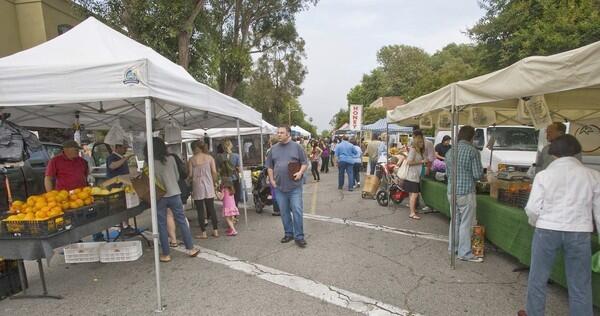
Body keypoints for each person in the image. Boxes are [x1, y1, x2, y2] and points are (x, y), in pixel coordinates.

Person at [522, 135, 600, 316]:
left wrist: (537, 223)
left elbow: (532, 208)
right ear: (577, 152)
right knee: (580, 283)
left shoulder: (544, 175)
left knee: (538, 279)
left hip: (547, 229)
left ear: (554, 153)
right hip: (580, 231)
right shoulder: (593, 176)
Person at [144, 137, 199, 262]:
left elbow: (147, 180)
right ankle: (190, 249)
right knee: (181, 220)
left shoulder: (149, 163)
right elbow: (177, 176)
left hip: (159, 197)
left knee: (161, 225)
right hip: (174, 193)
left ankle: (166, 254)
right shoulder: (171, 159)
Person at [445, 126, 484, 263]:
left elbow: (448, 174)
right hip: (466, 191)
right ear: (472, 137)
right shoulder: (473, 151)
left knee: (454, 221)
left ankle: (453, 248)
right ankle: (465, 252)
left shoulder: (450, 151)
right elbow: (478, 174)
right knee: (466, 223)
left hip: (451, 191)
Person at [266, 126, 308, 248]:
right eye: (278, 133)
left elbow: (305, 163)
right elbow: (269, 166)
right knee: (284, 212)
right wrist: (272, 180)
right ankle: (288, 233)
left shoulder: (297, 147)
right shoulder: (273, 149)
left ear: (288, 134)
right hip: (279, 187)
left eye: (281, 132)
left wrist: (300, 172)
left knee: (297, 211)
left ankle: (299, 237)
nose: (279, 135)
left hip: (294, 187)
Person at [188, 140, 219, 239]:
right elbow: (214, 172)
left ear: (195, 148)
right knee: (211, 208)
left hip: (197, 185)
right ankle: (216, 231)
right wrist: (214, 183)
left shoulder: (192, 160)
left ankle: (204, 233)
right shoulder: (210, 158)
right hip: (209, 185)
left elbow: (190, 175)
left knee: (200, 210)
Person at [405, 134, 426, 220]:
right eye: (420, 142)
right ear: (417, 143)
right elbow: (409, 162)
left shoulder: (418, 151)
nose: (422, 143)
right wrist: (422, 161)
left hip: (415, 175)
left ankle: (412, 210)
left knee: (412, 194)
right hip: (412, 175)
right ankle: (412, 213)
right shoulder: (413, 150)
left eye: (422, 142)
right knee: (415, 194)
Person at [221, 140, 242, 206]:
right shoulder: (236, 156)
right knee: (236, 195)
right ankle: (234, 210)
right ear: (231, 146)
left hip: (224, 179)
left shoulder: (220, 157)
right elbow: (239, 169)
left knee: (227, 196)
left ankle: (228, 210)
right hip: (234, 177)